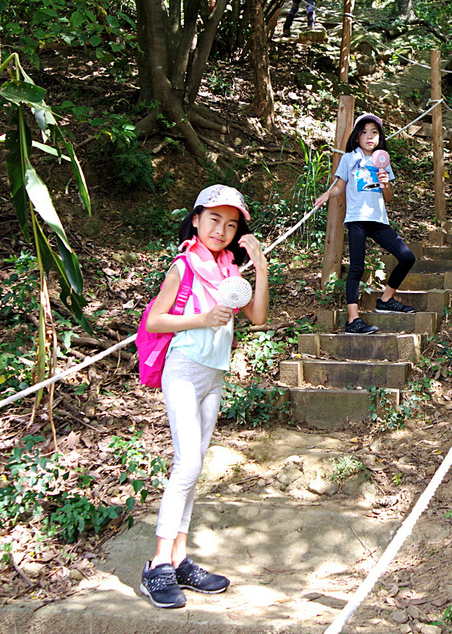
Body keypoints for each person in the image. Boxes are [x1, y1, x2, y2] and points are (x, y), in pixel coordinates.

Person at [139, 185, 269, 609]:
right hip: (183, 369)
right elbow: (157, 320)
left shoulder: (231, 270)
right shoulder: (184, 265)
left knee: (194, 466)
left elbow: (259, 316)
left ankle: (179, 559)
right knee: (188, 462)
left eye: (231, 224)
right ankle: (157, 566)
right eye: (214, 220)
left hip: (214, 373)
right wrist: (201, 318)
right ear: (196, 219)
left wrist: (261, 268)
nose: (222, 230)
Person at [315, 113, 416, 334]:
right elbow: (339, 187)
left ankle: (386, 300)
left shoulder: (383, 160)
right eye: (364, 132)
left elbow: (388, 198)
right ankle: (353, 320)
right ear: (357, 136)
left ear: (380, 137)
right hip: (357, 218)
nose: (369, 136)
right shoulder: (350, 158)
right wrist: (326, 194)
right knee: (357, 268)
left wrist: (385, 184)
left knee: (407, 257)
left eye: (374, 132)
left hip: (378, 219)